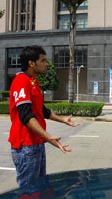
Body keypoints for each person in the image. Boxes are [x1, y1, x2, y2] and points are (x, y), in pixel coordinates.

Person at [8, 45, 78, 187]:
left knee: (40, 189)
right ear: (31, 63)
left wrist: (63, 121)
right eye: (43, 60)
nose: (46, 64)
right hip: (26, 147)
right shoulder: (21, 81)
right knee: (29, 191)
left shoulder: (34, 82)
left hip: (36, 144)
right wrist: (48, 136)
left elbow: (42, 111)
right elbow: (25, 115)